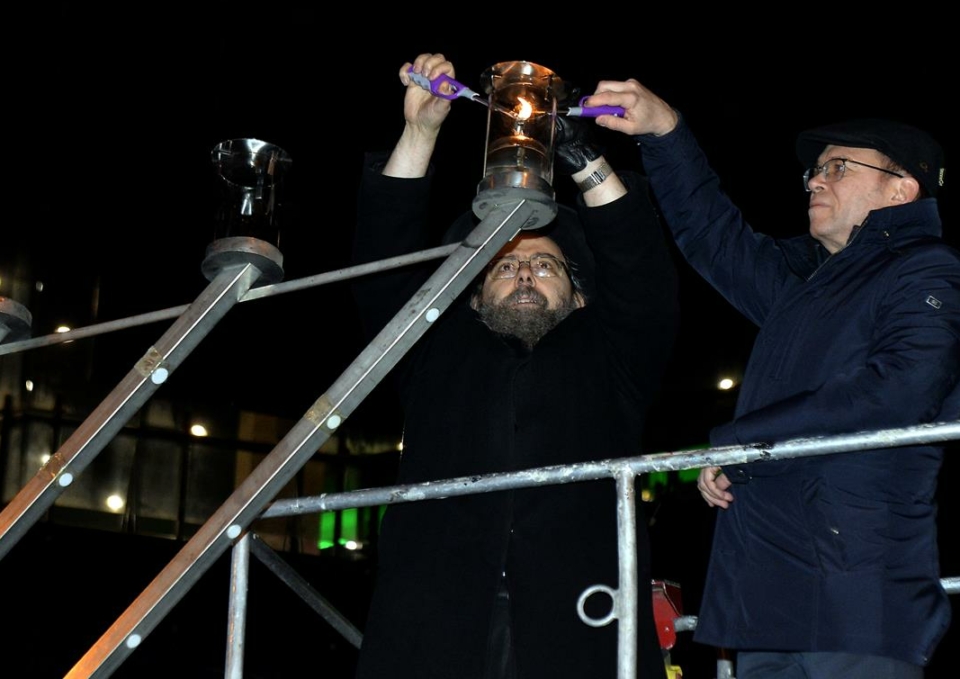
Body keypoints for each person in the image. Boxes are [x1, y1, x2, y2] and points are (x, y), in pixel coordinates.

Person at [582, 79, 960, 678]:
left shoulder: (927, 271)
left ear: (902, 188)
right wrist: (665, 131)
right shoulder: (804, 288)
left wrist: (743, 444)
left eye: (837, 166)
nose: (814, 179)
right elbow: (713, 237)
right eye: (812, 170)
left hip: (855, 594)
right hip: (766, 594)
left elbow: (902, 388)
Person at [350, 53, 680, 679]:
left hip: (581, 625)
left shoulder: (615, 362)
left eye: (547, 266)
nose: (525, 272)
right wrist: (420, 132)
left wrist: (579, 156)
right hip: (434, 625)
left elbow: (642, 276)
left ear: (581, 295)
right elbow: (384, 266)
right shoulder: (432, 355)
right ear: (471, 296)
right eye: (503, 266)